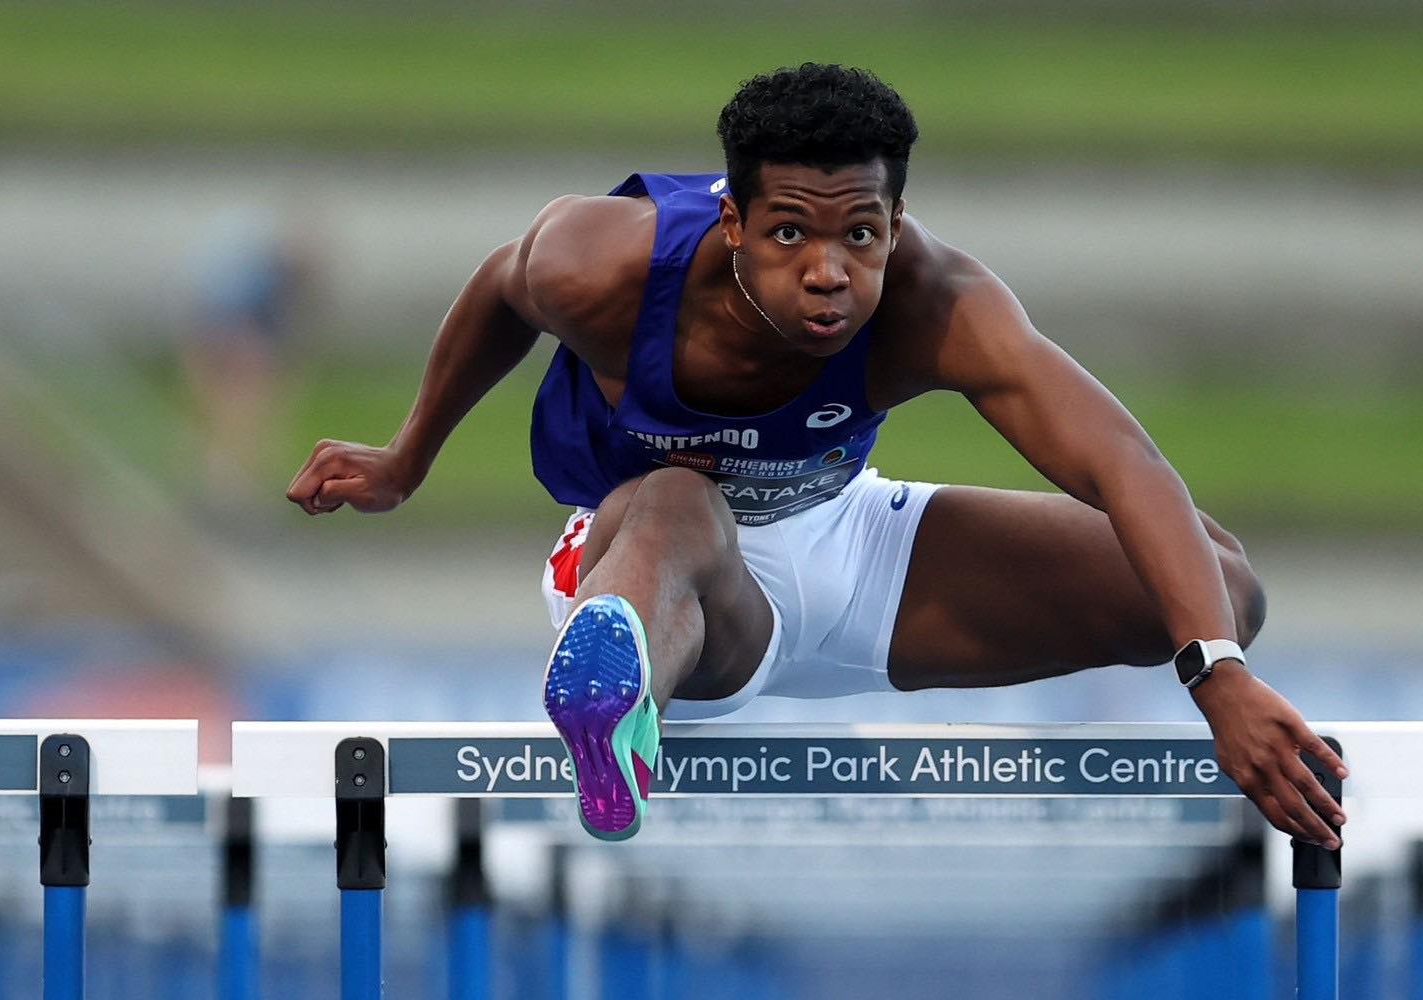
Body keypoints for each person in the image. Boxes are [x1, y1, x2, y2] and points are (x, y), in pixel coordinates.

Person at [287, 64, 1349, 844]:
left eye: (862, 235)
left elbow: (1123, 462)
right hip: (664, 574)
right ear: (733, 219)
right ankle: (616, 706)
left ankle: (632, 684)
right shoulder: (598, 265)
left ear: (896, 222)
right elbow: (497, 290)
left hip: (847, 545)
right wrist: (405, 458)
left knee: (1222, 587)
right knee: (676, 497)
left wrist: (1218, 678)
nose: (831, 273)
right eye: (792, 233)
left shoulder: (944, 305)